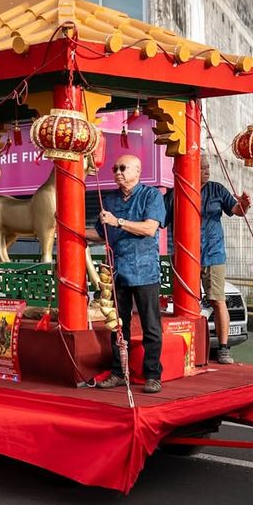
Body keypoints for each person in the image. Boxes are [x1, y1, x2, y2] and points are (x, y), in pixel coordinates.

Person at [85, 154, 166, 394]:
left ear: (137, 171)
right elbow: (101, 233)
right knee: (117, 325)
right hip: (117, 272)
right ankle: (119, 372)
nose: (117, 172)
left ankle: (153, 375)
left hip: (145, 271)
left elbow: (150, 228)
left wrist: (118, 221)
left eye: (122, 168)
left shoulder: (151, 195)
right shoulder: (110, 199)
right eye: (114, 168)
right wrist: (66, 227)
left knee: (151, 327)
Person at [166, 158, 250, 364]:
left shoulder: (217, 189)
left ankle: (223, 348)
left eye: (207, 167)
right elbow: (160, 220)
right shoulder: (175, 193)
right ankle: (188, 347)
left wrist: (244, 204)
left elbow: (237, 210)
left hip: (213, 253)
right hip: (185, 255)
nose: (206, 170)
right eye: (201, 167)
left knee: (217, 300)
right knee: (186, 301)